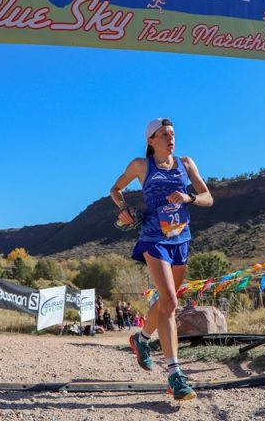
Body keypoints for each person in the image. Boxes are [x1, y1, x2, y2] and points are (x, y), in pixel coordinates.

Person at [110, 117, 213, 401]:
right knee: (169, 301)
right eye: (165, 134)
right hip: (154, 239)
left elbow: (208, 197)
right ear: (151, 140)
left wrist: (190, 198)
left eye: (173, 134)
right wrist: (125, 209)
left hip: (181, 239)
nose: (171, 138)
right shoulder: (141, 166)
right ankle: (175, 375)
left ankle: (141, 339)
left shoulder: (186, 163)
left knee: (167, 302)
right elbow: (115, 190)